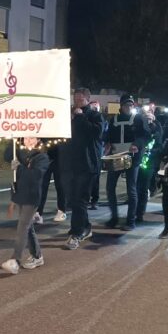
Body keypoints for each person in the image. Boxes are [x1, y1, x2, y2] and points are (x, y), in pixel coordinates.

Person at [2, 137, 50, 274]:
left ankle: (15, 260)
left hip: (32, 196)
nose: (28, 140)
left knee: (22, 227)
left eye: (32, 137)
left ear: (38, 139)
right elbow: (7, 156)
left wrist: (19, 167)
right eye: (26, 137)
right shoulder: (20, 151)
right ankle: (37, 256)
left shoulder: (42, 157)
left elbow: (35, 175)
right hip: (20, 194)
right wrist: (12, 140)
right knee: (27, 227)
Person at [64, 88, 104, 250]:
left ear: (87, 99)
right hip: (72, 163)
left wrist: (80, 117)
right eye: (75, 99)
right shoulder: (70, 116)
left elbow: (96, 133)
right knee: (73, 199)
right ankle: (85, 226)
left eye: (81, 99)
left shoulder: (94, 115)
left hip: (87, 164)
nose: (77, 102)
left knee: (80, 199)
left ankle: (77, 232)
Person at [104, 94, 151, 231]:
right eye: (126, 104)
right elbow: (108, 135)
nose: (128, 107)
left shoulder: (138, 119)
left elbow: (146, 135)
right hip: (116, 156)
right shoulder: (113, 120)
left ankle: (131, 221)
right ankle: (114, 218)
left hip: (132, 158)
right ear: (121, 106)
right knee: (110, 188)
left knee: (131, 189)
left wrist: (137, 144)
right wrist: (107, 144)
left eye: (130, 104)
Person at [136, 107, 163, 221]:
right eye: (144, 115)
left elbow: (159, 145)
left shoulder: (157, 127)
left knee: (143, 188)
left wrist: (151, 152)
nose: (147, 117)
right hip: (137, 161)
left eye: (149, 114)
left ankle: (140, 213)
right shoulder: (139, 126)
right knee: (136, 187)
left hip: (149, 162)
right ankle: (135, 210)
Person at [37, 141, 67, 223]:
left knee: (60, 184)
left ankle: (62, 210)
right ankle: (38, 212)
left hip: (60, 155)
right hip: (45, 154)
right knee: (42, 184)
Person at [88, 100, 106, 210]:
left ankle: (95, 199)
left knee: (95, 177)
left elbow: (101, 132)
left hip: (96, 150)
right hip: (89, 150)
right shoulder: (86, 117)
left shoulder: (100, 118)